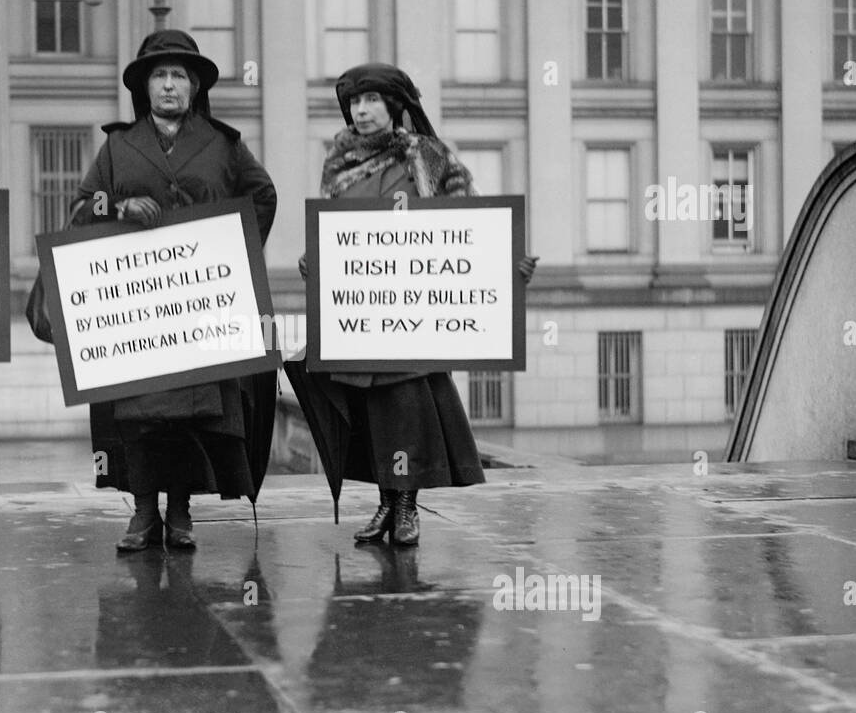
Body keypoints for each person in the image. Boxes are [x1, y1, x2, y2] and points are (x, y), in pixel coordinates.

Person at [297, 63, 537, 545]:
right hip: (364, 315)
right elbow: (339, 232)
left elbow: (469, 223)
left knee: (403, 410)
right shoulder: (338, 165)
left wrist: (507, 265)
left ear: (395, 105)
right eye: (354, 103)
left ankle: (407, 506)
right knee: (368, 415)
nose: (361, 111)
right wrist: (316, 258)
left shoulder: (428, 156)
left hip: (414, 316)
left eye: (371, 100)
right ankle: (386, 504)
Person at [68, 30, 277, 552]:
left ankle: (179, 512)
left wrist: (231, 257)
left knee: (188, 413)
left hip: (198, 304)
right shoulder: (117, 146)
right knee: (139, 416)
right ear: (144, 87)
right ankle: (143, 512)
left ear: (194, 86)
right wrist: (116, 210)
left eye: (179, 75)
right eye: (159, 75)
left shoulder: (224, 145)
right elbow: (80, 208)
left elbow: (263, 197)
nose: (168, 85)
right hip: (136, 309)